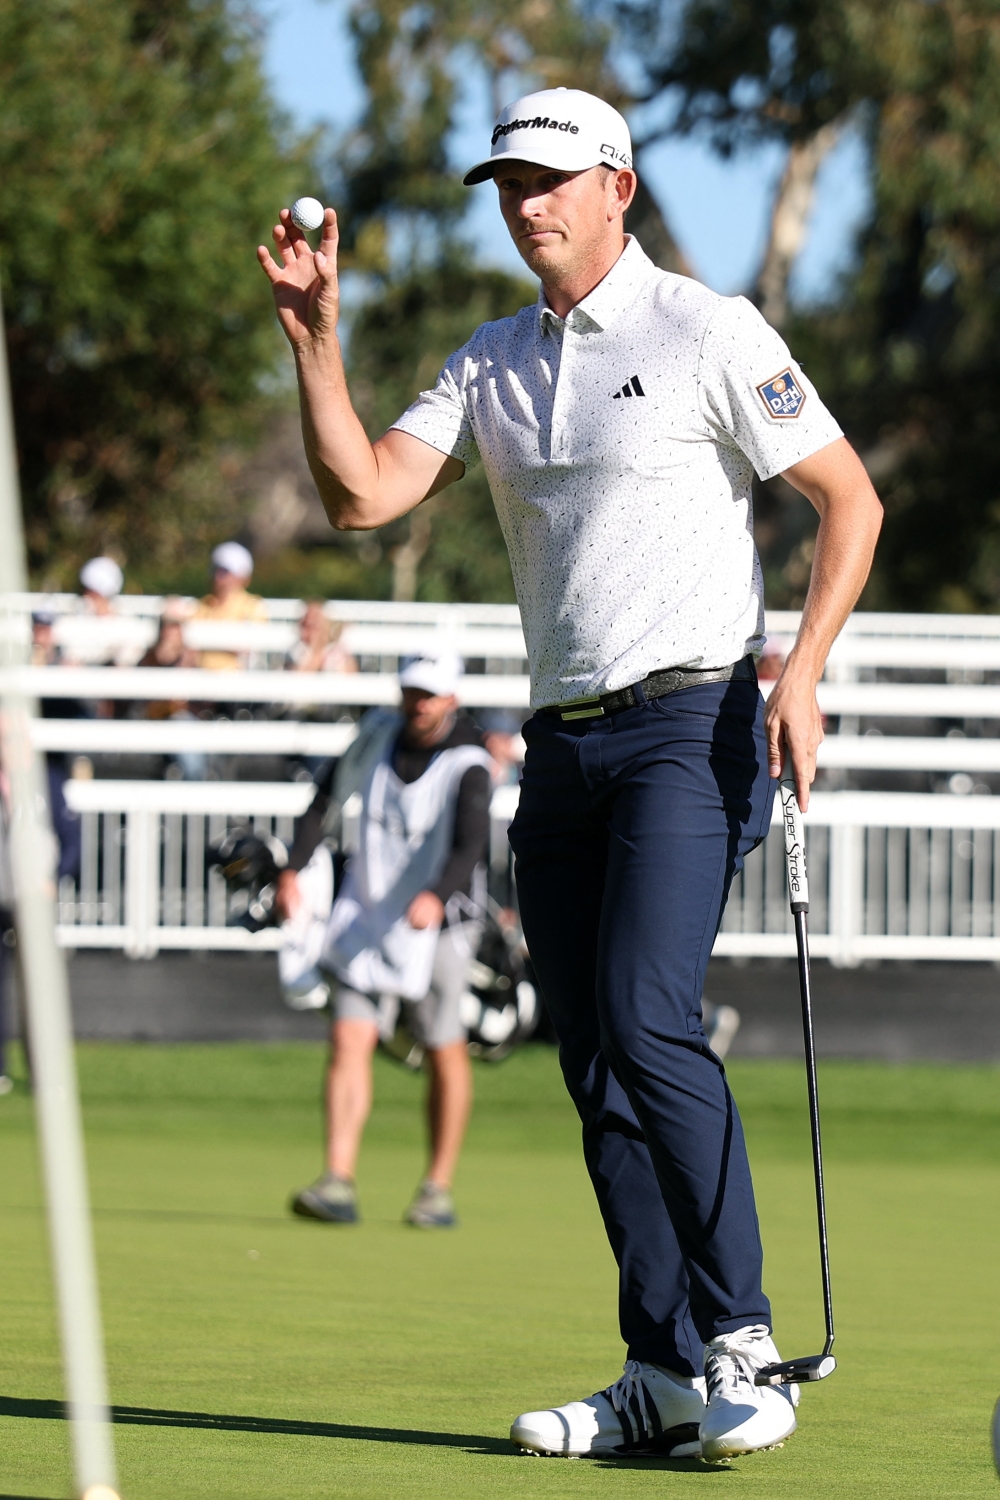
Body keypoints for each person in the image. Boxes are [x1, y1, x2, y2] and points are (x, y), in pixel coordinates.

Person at [258, 86, 882, 1461]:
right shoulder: (490, 361)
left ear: (620, 186)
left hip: (692, 724)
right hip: (562, 741)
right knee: (593, 1054)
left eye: (549, 179)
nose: (523, 204)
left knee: (649, 1018)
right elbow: (362, 495)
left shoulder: (707, 329)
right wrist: (318, 341)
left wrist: (808, 669)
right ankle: (657, 1372)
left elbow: (850, 499)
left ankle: (743, 1345)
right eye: (506, 184)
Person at [278, 652, 492, 1229]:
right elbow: (322, 801)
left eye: (429, 694)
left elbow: (470, 846)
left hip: (440, 924)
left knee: (443, 1043)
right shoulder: (374, 738)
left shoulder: (468, 762)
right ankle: (337, 1178)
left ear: (450, 699)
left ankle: (436, 1185)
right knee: (349, 1038)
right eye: (411, 692)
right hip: (368, 913)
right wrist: (293, 868)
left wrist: (436, 894)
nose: (417, 704)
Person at [191, 541, 268, 671]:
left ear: (242, 576)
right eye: (215, 569)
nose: (217, 577)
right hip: (199, 678)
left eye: (225, 571)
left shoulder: (253, 606)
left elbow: (247, 647)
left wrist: (208, 640)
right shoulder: (203, 604)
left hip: (237, 680)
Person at [284, 599, 358, 675]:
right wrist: (317, 652)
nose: (310, 631)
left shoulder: (338, 651)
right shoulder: (296, 650)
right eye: (307, 625)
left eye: (315, 625)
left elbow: (350, 678)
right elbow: (296, 679)